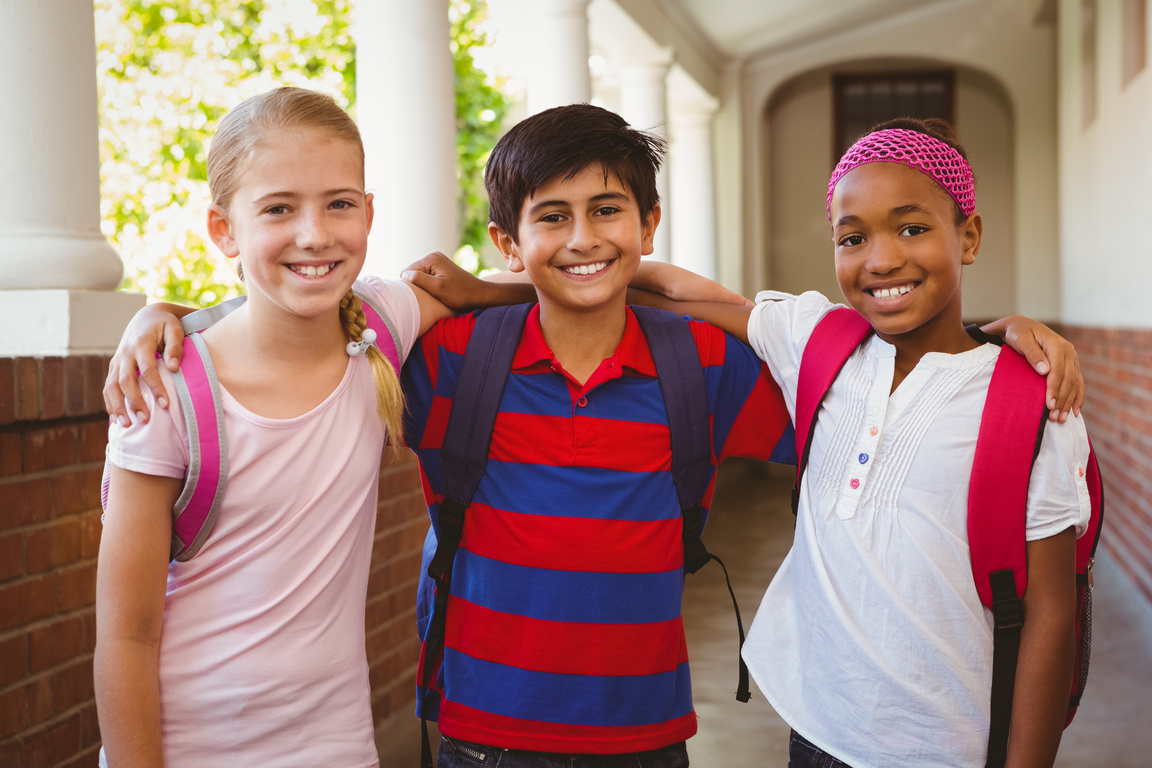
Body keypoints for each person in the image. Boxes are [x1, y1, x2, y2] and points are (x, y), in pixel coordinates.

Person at [105, 104, 1084, 768]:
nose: (583, 238)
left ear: (649, 222)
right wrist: (174, 316)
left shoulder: (711, 370)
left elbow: (883, 386)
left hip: (646, 733)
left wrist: (1000, 340)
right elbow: (302, 322)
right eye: (552, 217)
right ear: (507, 240)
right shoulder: (448, 366)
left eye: (608, 209)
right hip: (479, 729)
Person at [629, 117, 1090, 768]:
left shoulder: (1034, 402)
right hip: (817, 729)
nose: (881, 259)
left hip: (950, 748)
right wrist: (487, 289)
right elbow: (656, 285)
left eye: (912, 228)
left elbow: (1050, 616)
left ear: (970, 236)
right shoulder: (816, 339)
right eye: (853, 237)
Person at [94, 86, 503, 767]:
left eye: (339, 203)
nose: (315, 233)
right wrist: (156, 313)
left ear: (369, 214)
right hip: (190, 750)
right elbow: (125, 636)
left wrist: (650, 278)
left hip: (337, 746)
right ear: (223, 229)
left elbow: (550, 284)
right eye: (279, 208)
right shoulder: (164, 391)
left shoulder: (380, 324)